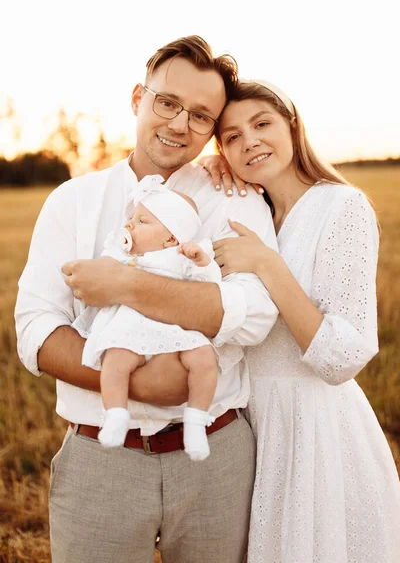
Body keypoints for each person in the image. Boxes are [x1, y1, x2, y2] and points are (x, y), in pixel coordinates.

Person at [14, 37, 279, 563]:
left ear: (212, 131)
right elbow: (36, 328)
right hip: (100, 455)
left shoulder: (236, 196)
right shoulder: (72, 200)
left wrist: (129, 287)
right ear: (138, 97)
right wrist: (136, 382)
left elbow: (253, 313)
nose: (180, 124)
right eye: (167, 103)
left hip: (216, 455)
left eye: (201, 116)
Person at [200, 78, 400, 562]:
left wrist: (267, 264)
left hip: (317, 431)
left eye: (262, 123)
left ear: (293, 125)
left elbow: (342, 358)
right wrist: (203, 169)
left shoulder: (341, 205)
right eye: (231, 136)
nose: (249, 140)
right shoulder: (247, 208)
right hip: (248, 426)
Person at [73, 173, 223, 461]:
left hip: (176, 325)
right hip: (133, 324)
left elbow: (209, 284)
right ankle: (115, 414)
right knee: (115, 359)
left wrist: (202, 260)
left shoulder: (183, 255)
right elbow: (101, 275)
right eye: (133, 218)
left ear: (171, 237)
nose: (129, 224)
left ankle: (196, 421)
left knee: (204, 358)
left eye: (143, 221)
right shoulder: (120, 253)